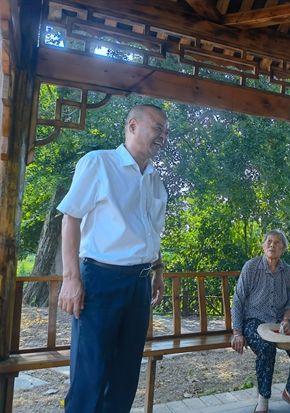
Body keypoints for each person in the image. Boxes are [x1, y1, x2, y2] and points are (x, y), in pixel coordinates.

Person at [57, 104, 169, 413]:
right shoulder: (99, 163)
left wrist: (158, 271)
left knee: (125, 376)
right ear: (132, 126)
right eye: (158, 128)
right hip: (101, 281)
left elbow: (152, 232)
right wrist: (71, 279)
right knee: (90, 376)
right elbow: (70, 218)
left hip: (140, 285)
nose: (163, 136)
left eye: (166, 131)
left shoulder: (155, 180)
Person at [231, 230, 290, 413]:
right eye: (269, 241)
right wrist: (237, 332)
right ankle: (263, 399)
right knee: (266, 348)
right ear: (263, 245)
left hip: (278, 323)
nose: (272, 245)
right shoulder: (251, 267)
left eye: (277, 242)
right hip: (253, 321)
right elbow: (238, 300)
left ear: (283, 248)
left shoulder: (288, 271)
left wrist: (287, 319)